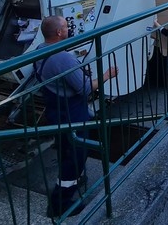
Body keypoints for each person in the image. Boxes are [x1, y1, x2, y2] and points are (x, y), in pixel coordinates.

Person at [36, 15, 117, 218]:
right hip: (71, 114)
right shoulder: (63, 58)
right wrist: (107, 75)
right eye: (66, 26)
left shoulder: (40, 50)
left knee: (66, 149)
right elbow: (85, 88)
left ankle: (75, 180)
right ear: (59, 32)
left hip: (56, 111)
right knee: (75, 156)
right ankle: (60, 203)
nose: (69, 28)